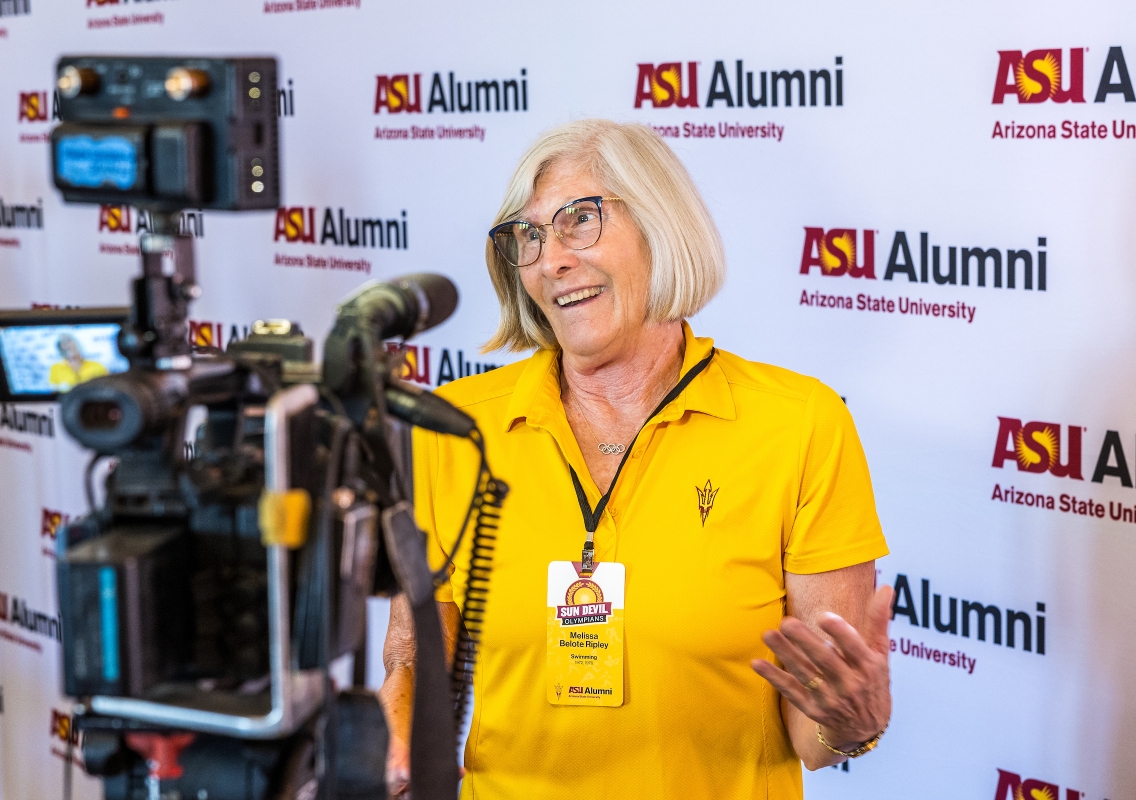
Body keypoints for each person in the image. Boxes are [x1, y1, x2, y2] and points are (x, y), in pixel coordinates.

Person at [380, 119, 892, 799]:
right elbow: (416, 661)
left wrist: (848, 724)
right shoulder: (453, 427)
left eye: (579, 220)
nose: (549, 258)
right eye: (527, 236)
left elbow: (817, 732)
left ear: (661, 225)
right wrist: (390, 744)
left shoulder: (800, 424)